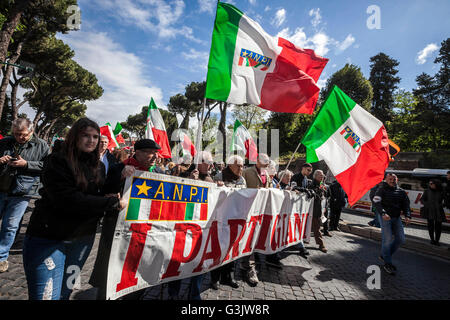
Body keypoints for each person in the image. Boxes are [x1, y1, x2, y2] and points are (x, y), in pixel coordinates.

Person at [22, 118, 127, 300]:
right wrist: (110, 203)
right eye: (85, 135)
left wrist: (121, 178)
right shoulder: (56, 160)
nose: (91, 140)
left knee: (65, 293)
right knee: (46, 297)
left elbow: (100, 193)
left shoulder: (100, 166)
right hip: (49, 239)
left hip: (82, 241)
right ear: (74, 136)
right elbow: (67, 199)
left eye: (95, 136)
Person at [89, 138, 164, 300]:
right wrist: (121, 178)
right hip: (117, 226)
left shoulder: (159, 173)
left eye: (155, 153)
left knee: (138, 265)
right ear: (137, 152)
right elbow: (105, 191)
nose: (153, 156)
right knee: (110, 265)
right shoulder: (119, 168)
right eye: (149, 152)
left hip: (144, 229)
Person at [0, 118, 50, 273]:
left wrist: (26, 164)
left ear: (31, 131)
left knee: (11, 225)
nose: (19, 137)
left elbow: (48, 166)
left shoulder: (42, 145)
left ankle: (1, 258)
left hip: (23, 191)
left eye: (23, 134)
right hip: (2, 187)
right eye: (16, 134)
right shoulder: (4, 142)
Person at [167, 151, 214, 300]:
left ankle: (194, 293)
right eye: (208, 161)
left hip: (201, 228)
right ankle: (173, 293)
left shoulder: (210, 179)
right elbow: (172, 192)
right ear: (198, 162)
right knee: (177, 261)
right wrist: (188, 181)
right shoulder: (182, 173)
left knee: (199, 261)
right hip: (182, 226)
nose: (211, 165)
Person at [210, 155, 246, 290]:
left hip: (235, 218)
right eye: (239, 166)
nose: (241, 168)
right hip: (221, 219)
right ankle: (215, 278)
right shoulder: (220, 177)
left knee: (232, 248)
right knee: (219, 249)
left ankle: (228, 276)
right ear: (230, 165)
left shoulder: (242, 179)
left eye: (242, 166)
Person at [241, 153, 274, 285]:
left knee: (256, 239)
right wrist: (255, 191)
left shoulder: (266, 173)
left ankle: (249, 263)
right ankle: (248, 266)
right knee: (248, 238)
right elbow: (241, 189)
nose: (268, 162)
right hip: (249, 210)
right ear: (259, 160)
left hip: (262, 211)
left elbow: (270, 188)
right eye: (266, 160)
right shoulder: (247, 172)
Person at [372, 173, 411, 275]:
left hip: (396, 217)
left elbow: (406, 205)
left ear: (397, 180)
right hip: (385, 217)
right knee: (388, 239)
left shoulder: (401, 192)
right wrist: (383, 213)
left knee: (401, 239)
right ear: (386, 180)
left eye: (394, 179)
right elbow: (376, 202)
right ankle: (387, 263)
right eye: (390, 179)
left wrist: (407, 215)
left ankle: (384, 255)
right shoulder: (381, 189)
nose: (392, 181)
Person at [308, 170, 330, 253]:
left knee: (313, 227)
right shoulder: (312, 185)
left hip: (320, 209)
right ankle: (321, 244)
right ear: (315, 176)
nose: (322, 176)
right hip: (313, 209)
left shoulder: (322, 185)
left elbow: (325, 196)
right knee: (317, 228)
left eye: (323, 175)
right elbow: (313, 196)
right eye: (320, 175)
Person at [420, 179, 446, 246]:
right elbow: (422, 199)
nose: (430, 185)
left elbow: (446, 200)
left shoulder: (441, 191)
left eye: (431, 183)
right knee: (430, 226)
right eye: (430, 183)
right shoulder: (427, 191)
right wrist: (427, 204)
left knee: (438, 227)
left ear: (436, 184)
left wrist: (441, 205)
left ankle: (437, 241)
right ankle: (432, 240)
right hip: (429, 210)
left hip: (438, 211)